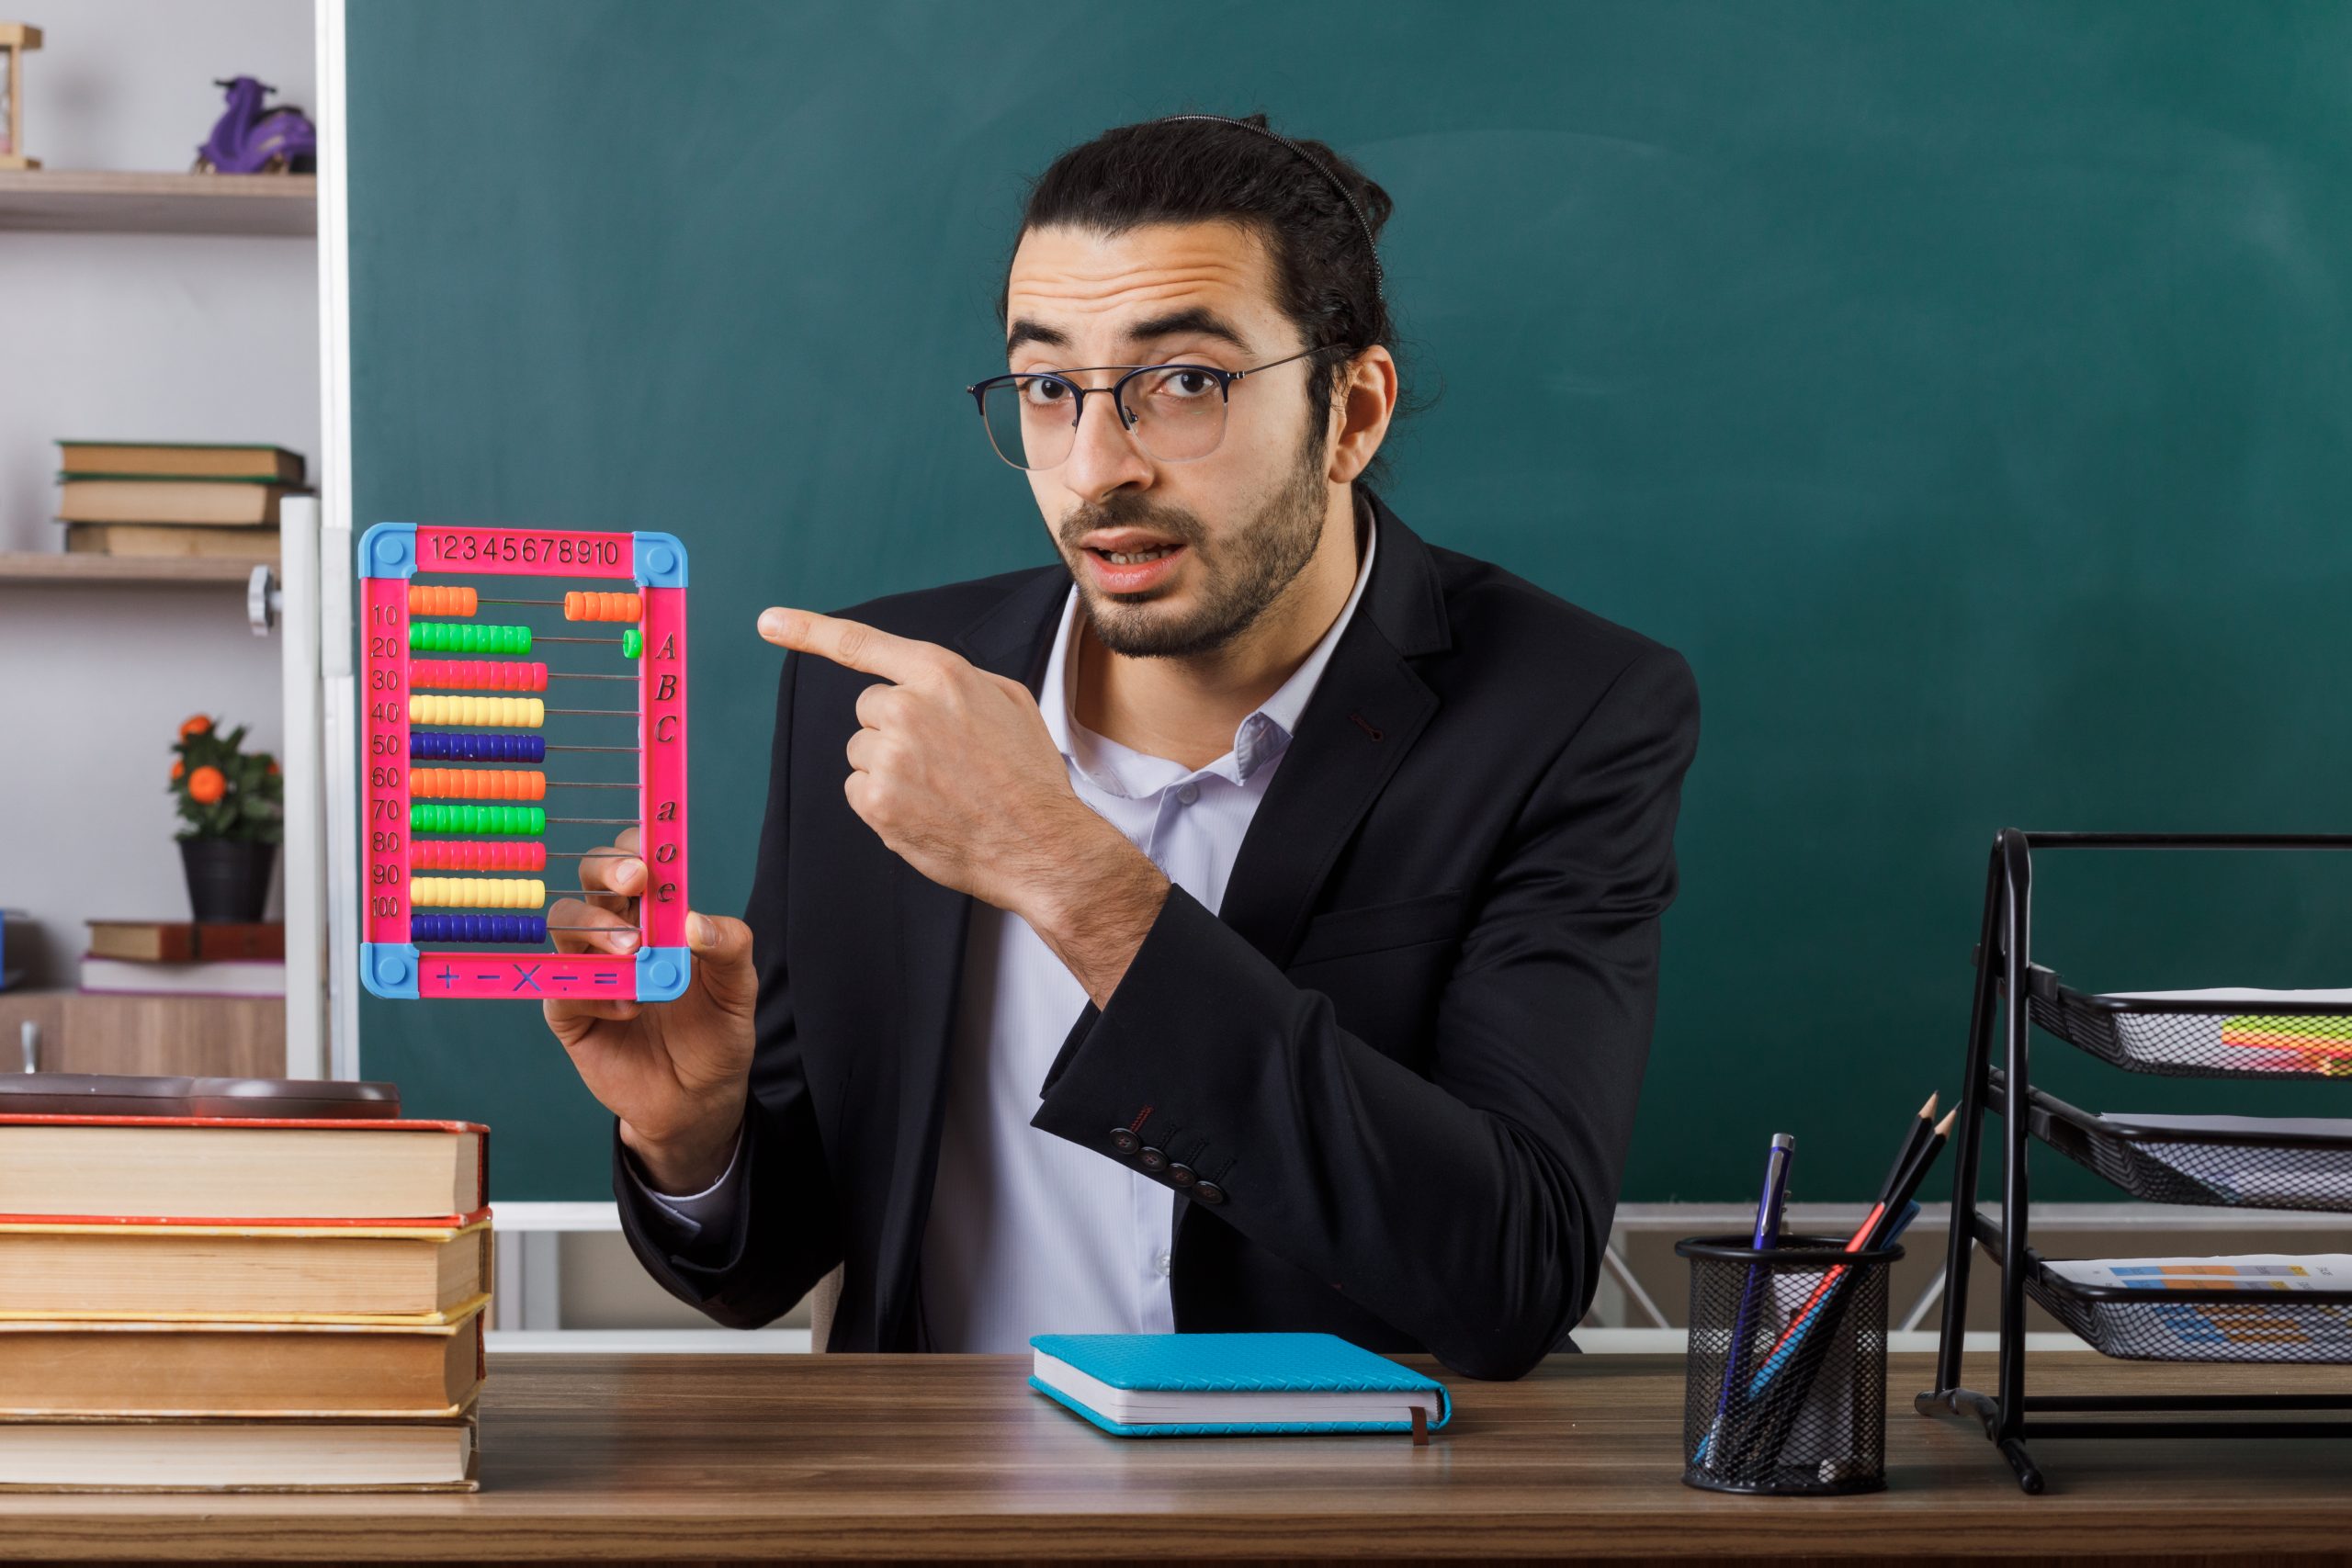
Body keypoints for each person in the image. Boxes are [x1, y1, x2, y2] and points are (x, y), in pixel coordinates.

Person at [543, 113, 1700, 1379]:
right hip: (938, 1507)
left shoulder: (1571, 709)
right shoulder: (877, 703)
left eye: (1187, 383)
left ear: (1352, 411)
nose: (1096, 468)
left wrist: (1064, 870)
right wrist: (696, 1136)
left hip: (1355, 1506)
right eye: (1050, 388)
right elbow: (767, 1264)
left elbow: (1511, 1279)